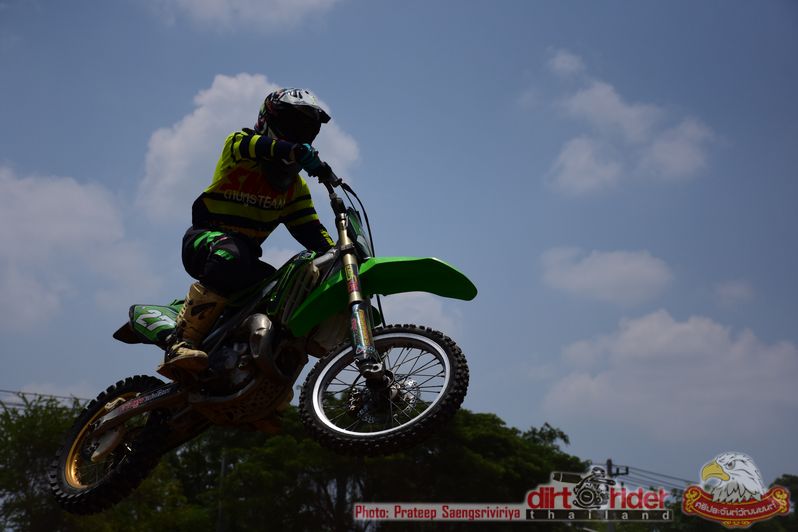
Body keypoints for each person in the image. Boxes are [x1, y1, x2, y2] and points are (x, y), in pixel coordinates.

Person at [157, 88, 335, 380]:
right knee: (232, 253)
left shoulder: (295, 188)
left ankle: (249, 371)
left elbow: (313, 232)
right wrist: (292, 150)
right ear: (268, 120)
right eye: (292, 124)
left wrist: (343, 252)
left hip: (246, 259)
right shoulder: (238, 147)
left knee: (285, 290)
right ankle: (181, 342)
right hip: (205, 241)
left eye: (306, 129)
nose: (299, 134)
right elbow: (255, 145)